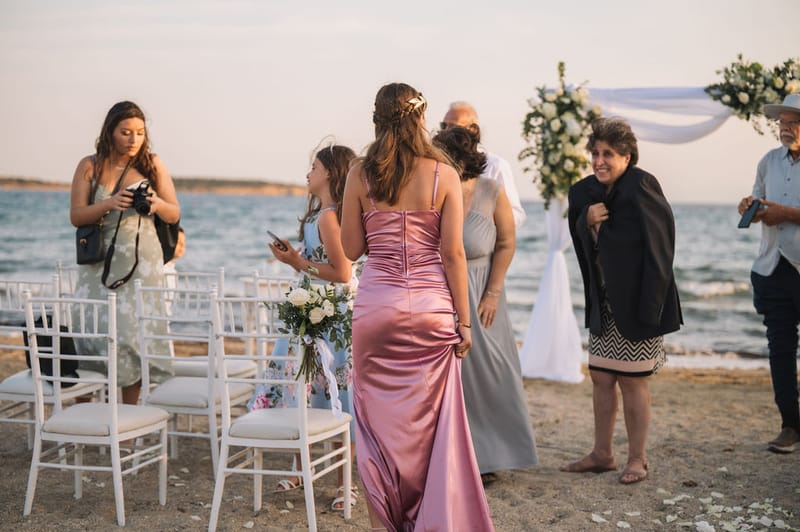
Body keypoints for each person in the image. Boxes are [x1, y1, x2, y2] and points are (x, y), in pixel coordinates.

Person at [341, 82, 494, 531]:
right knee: (432, 427)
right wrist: (464, 323)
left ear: (377, 118)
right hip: (430, 308)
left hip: (376, 310)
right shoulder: (442, 173)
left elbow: (351, 249)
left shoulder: (359, 174)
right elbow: (453, 255)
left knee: (375, 427)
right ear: (421, 119)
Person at [564, 117, 682, 484]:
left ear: (627, 155)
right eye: (595, 153)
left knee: (633, 382)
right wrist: (586, 219)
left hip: (640, 302)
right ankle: (602, 454)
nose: (599, 161)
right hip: (604, 302)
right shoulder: (583, 192)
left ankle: (638, 459)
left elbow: (660, 250)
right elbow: (579, 240)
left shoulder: (642, 185)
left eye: (609, 154)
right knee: (600, 377)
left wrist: (651, 309)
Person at [432, 126, 538, 483]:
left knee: (492, 373)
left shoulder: (492, 191)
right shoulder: (432, 193)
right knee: (448, 378)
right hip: (441, 292)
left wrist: (492, 292)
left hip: (482, 294)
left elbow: (507, 243)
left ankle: (491, 455)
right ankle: (452, 454)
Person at [262, 143, 357, 511]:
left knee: (335, 396)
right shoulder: (320, 217)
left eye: (313, 167)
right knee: (306, 392)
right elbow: (319, 265)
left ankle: (342, 483)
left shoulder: (329, 218)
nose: (307, 173)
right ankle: (303, 470)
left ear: (330, 174)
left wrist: (298, 264)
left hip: (328, 319)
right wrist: (296, 260)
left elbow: (342, 273)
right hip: (313, 312)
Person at [69, 100, 180, 405]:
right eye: (126, 132)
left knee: (134, 337)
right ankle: (87, 414)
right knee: (92, 334)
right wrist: (109, 203)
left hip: (143, 265)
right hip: (99, 265)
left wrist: (156, 204)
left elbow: (174, 213)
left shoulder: (152, 164)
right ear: (110, 131)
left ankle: (128, 419)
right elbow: (76, 216)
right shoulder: (90, 165)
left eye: (140, 133)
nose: (133, 139)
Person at [738, 93, 800, 453]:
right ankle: (790, 425)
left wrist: (788, 214)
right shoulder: (768, 161)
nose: (785, 129)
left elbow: (784, 213)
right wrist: (750, 206)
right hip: (771, 267)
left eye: (792, 122)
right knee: (779, 348)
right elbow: (760, 203)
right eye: (782, 123)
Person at [440, 101, 527, 228]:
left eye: (453, 126)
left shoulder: (496, 165)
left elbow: (517, 215)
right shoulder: (438, 164)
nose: (446, 132)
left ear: (473, 130)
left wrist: (485, 220)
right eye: (443, 126)